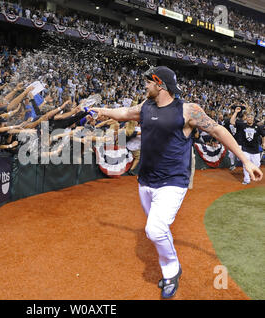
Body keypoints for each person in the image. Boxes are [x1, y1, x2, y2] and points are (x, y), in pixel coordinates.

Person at [91, 66, 263, 298]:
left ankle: (171, 270)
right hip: (146, 181)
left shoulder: (188, 110)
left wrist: (245, 160)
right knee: (159, 229)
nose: (145, 86)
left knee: (154, 229)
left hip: (173, 181)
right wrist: (99, 110)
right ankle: (170, 264)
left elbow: (219, 131)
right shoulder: (145, 106)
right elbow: (123, 113)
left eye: (148, 82)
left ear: (160, 83)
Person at [230, 107, 265, 184]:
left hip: (255, 150)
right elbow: (232, 122)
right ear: (246, 118)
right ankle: (246, 179)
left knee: (257, 164)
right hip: (245, 149)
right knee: (246, 165)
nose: (250, 119)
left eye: (251, 117)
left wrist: (263, 143)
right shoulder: (242, 125)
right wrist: (235, 112)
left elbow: (263, 135)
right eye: (248, 117)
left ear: (253, 119)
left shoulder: (257, 127)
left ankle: (252, 175)